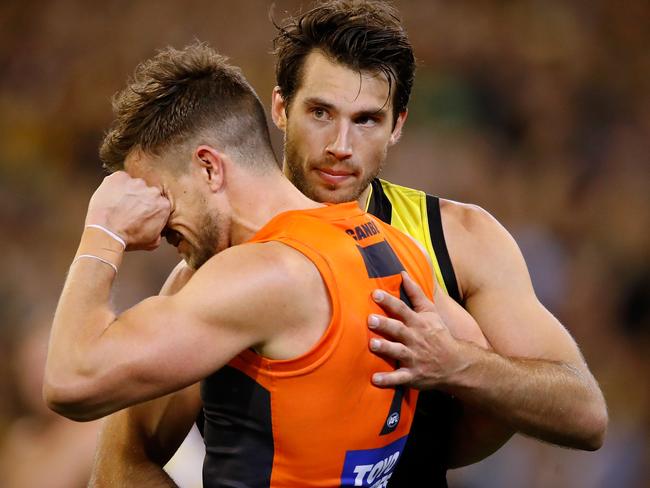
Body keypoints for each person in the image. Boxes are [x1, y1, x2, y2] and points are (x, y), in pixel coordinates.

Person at [90, 1, 608, 487]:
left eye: (366, 120)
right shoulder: (217, 261)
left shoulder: (457, 240)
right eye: (320, 113)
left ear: (397, 125)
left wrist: (456, 364)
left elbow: (584, 414)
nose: (340, 146)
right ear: (280, 107)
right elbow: (122, 463)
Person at [44, 43, 487, 487]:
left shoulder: (265, 274)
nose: (155, 226)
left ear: (209, 169)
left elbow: (70, 382)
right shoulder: (399, 250)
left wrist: (104, 231)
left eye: (159, 195)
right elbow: (487, 389)